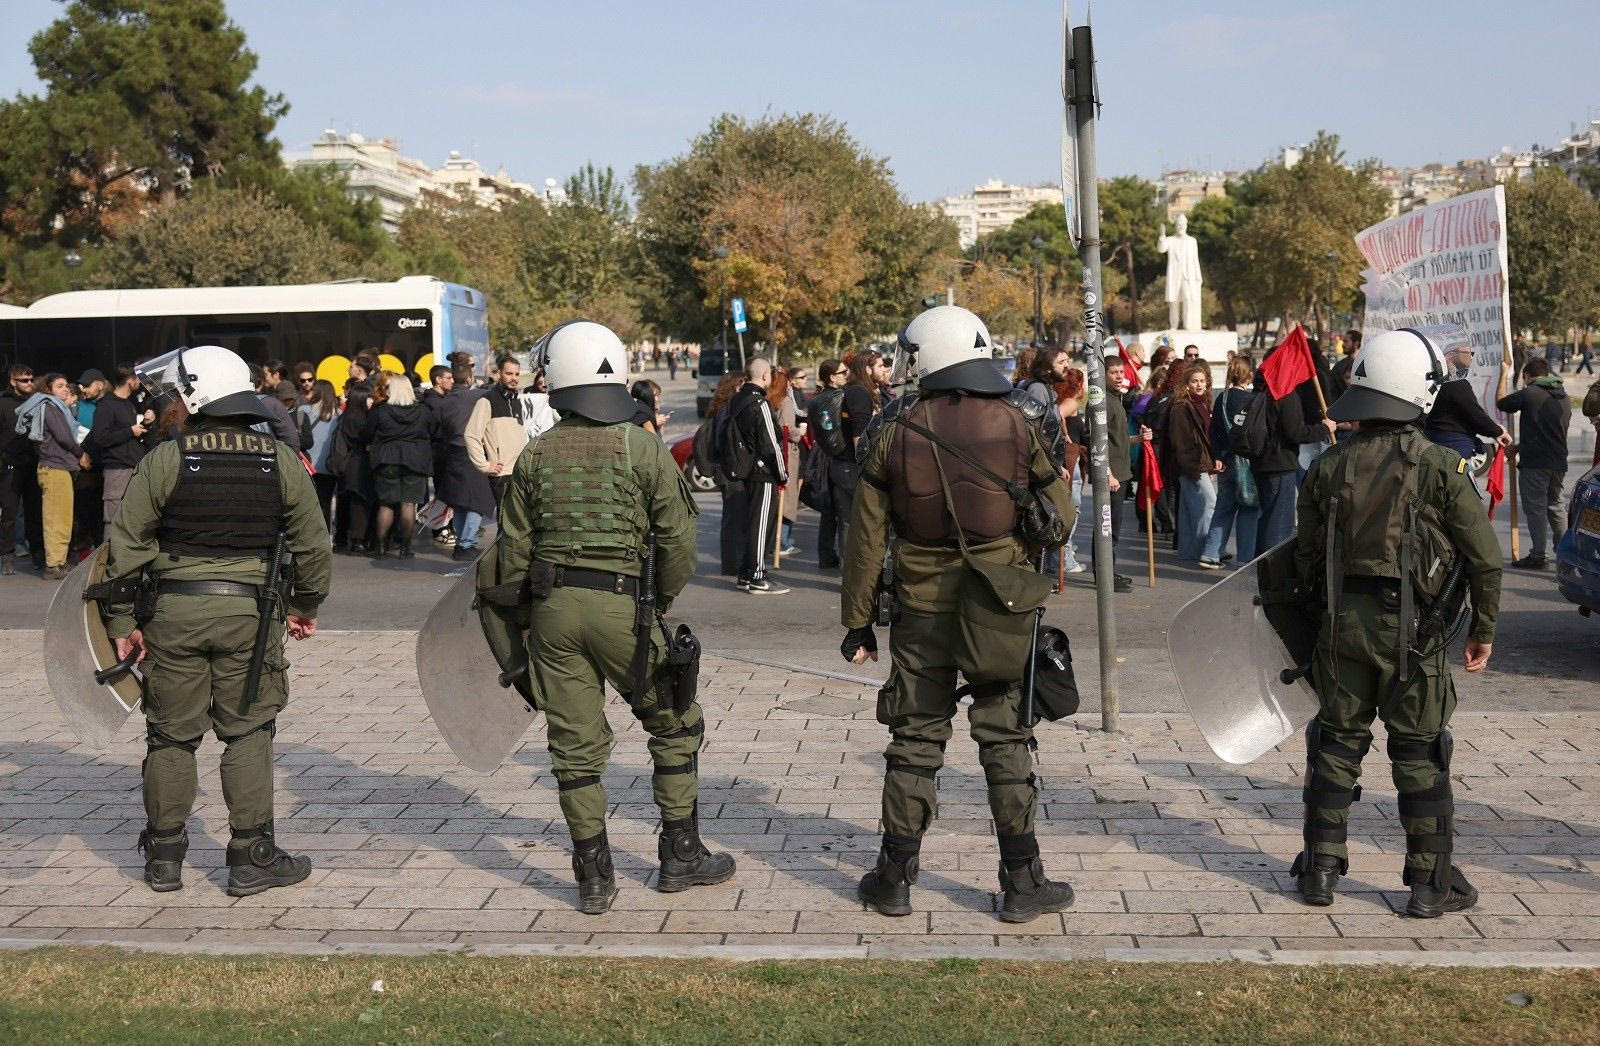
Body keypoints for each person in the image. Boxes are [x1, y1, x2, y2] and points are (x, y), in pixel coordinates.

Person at [841, 305, 1076, 923]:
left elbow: (864, 541)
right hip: (1003, 600)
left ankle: (893, 878)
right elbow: (1063, 517)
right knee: (1006, 735)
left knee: (915, 737)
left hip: (920, 604)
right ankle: (1023, 881)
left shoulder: (893, 429)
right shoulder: (1022, 421)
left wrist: (858, 623)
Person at [499, 320, 733, 915]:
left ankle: (594, 877)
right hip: (625, 612)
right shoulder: (645, 447)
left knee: (574, 747)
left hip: (553, 616)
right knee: (675, 722)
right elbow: (680, 542)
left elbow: (511, 556)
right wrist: (659, 603)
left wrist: (527, 616)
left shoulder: (536, 453)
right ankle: (680, 856)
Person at [96, 345, 331, 896]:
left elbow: (124, 548)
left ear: (197, 395)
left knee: (170, 736)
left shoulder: (164, 459)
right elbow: (313, 547)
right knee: (249, 730)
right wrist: (304, 606)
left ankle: (164, 857)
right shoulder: (279, 460)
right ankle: (251, 858)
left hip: (174, 614)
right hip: (251, 616)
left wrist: (122, 621)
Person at [1290, 328, 1501, 918]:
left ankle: (1320, 872)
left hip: (1341, 632)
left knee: (1334, 748)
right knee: (1420, 754)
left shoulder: (1329, 465)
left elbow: (1304, 557)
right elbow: (1485, 560)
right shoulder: (1440, 466)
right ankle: (1430, 885)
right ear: (1421, 390)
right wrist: (1482, 630)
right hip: (1415, 637)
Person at [1497, 358, 1572, 570]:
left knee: (1536, 509)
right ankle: (1564, 554)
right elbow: (1549, 433)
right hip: (1558, 462)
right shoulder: (1563, 395)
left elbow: (1501, 402)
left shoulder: (1530, 393)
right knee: (1556, 507)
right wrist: (1520, 447)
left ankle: (1538, 555)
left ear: (1527, 376)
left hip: (1536, 464)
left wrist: (1503, 373)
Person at [723, 358, 789, 594]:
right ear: (764, 376)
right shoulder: (760, 403)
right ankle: (759, 577)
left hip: (744, 469)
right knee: (761, 525)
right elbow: (771, 444)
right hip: (763, 473)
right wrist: (783, 474)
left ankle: (746, 573)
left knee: (750, 523)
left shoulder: (736, 400)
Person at [363, 371, 433, 559]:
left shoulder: (380, 411)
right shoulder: (423, 410)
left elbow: (367, 433)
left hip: (386, 459)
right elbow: (433, 431)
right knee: (408, 504)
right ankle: (405, 547)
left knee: (386, 504)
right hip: (415, 460)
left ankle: (381, 547)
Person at [1199, 356, 1260, 568]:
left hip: (1225, 461)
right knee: (1249, 509)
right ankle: (1245, 557)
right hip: (1247, 463)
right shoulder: (1252, 400)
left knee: (1223, 508)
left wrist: (1218, 456)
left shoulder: (1222, 398)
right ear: (1249, 374)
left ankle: (1211, 553)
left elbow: (1214, 430)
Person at [29, 373, 87, 580]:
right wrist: (81, 453)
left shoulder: (57, 407)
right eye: (59, 386)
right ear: (48, 389)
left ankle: (58, 562)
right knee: (56, 519)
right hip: (54, 468)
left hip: (58, 468)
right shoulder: (50, 407)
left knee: (61, 518)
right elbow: (64, 436)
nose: (65, 389)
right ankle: (54, 564)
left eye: (65, 386)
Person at [435, 360, 494, 561]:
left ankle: (462, 543)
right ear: (469, 378)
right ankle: (466, 544)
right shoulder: (478, 396)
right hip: (472, 451)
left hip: (452, 453)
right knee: (478, 501)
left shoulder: (445, 400)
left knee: (460, 502)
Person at [86, 365, 154, 529]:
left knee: (133, 518)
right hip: (117, 470)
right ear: (130, 381)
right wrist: (130, 431)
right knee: (114, 520)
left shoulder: (128, 404)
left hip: (133, 467)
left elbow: (129, 435)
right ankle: (110, 554)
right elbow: (100, 437)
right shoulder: (106, 405)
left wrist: (145, 424)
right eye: (137, 379)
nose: (139, 382)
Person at [1164, 361, 1219, 562]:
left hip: (1198, 463)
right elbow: (1180, 440)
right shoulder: (1182, 406)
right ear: (1186, 384)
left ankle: (1188, 551)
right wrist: (1194, 466)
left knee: (1188, 509)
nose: (1199, 384)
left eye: (1202, 381)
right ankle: (1208, 549)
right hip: (1192, 464)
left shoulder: (1201, 403)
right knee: (1209, 503)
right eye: (1194, 381)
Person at [465, 352, 529, 511]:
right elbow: (471, 435)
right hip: (502, 475)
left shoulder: (516, 401)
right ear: (499, 373)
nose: (514, 377)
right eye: (509, 373)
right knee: (506, 525)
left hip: (520, 473)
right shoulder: (486, 400)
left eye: (516, 374)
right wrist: (484, 465)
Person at [1423, 342, 1509, 461]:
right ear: (1451, 354)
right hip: (1454, 448)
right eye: (1468, 353)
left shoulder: (1434, 379)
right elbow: (1475, 414)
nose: (1471, 357)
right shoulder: (1455, 383)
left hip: (1434, 442)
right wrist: (1497, 431)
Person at [1, 365, 42, 575]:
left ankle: (37, 552)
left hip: (34, 464)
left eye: (31, 379)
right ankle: (6, 555)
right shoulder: (3, 403)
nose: (29, 383)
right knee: (9, 513)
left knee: (35, 512)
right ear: (12, 381)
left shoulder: (37, 402)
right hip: (10, 466)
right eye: (24, 380)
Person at [810, 358, 851, 568]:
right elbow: (832, 437)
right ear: (832, 377)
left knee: (830, 512)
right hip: (835, 460)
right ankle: (841, 562)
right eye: (843, 372)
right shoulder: (832, 399)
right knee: (842, 514)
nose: (847, 374)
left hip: (827, 458)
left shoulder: (820, 398)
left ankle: (826, 556)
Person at [1101, 356, 1135, 593]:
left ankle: (1108, 571)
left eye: (1120, 371)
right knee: (1107, 528)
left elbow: (1118, 439)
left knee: (1113, 527)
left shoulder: (1116, 399)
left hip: (1121, 472)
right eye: (1113, 372)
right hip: (1112, 475)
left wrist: (1139, 439)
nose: (1119, 375)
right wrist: (1108, 473)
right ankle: (1104, 574)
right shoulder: (1102, 401)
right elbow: (1098, 441)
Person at [768, 366, 803, 555]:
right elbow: (786, 429)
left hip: (776, 454)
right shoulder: (785, 402)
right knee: (787, 499)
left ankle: (779, 540)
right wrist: (800, 433)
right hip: (787, 453)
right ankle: (783, 542)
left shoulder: (769, 400)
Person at [298, 379, 340, 528]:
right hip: (330, 467)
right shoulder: (339, 415)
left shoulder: (304, 410)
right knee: (326, 503)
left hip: (308, 466)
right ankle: (326, 536)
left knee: (307, 504)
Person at [1328, 329, 1362, 398]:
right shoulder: (1339, 365)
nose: (1343, 345)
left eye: (1346, 341)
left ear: (1356, 344)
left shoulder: (1364, 365)